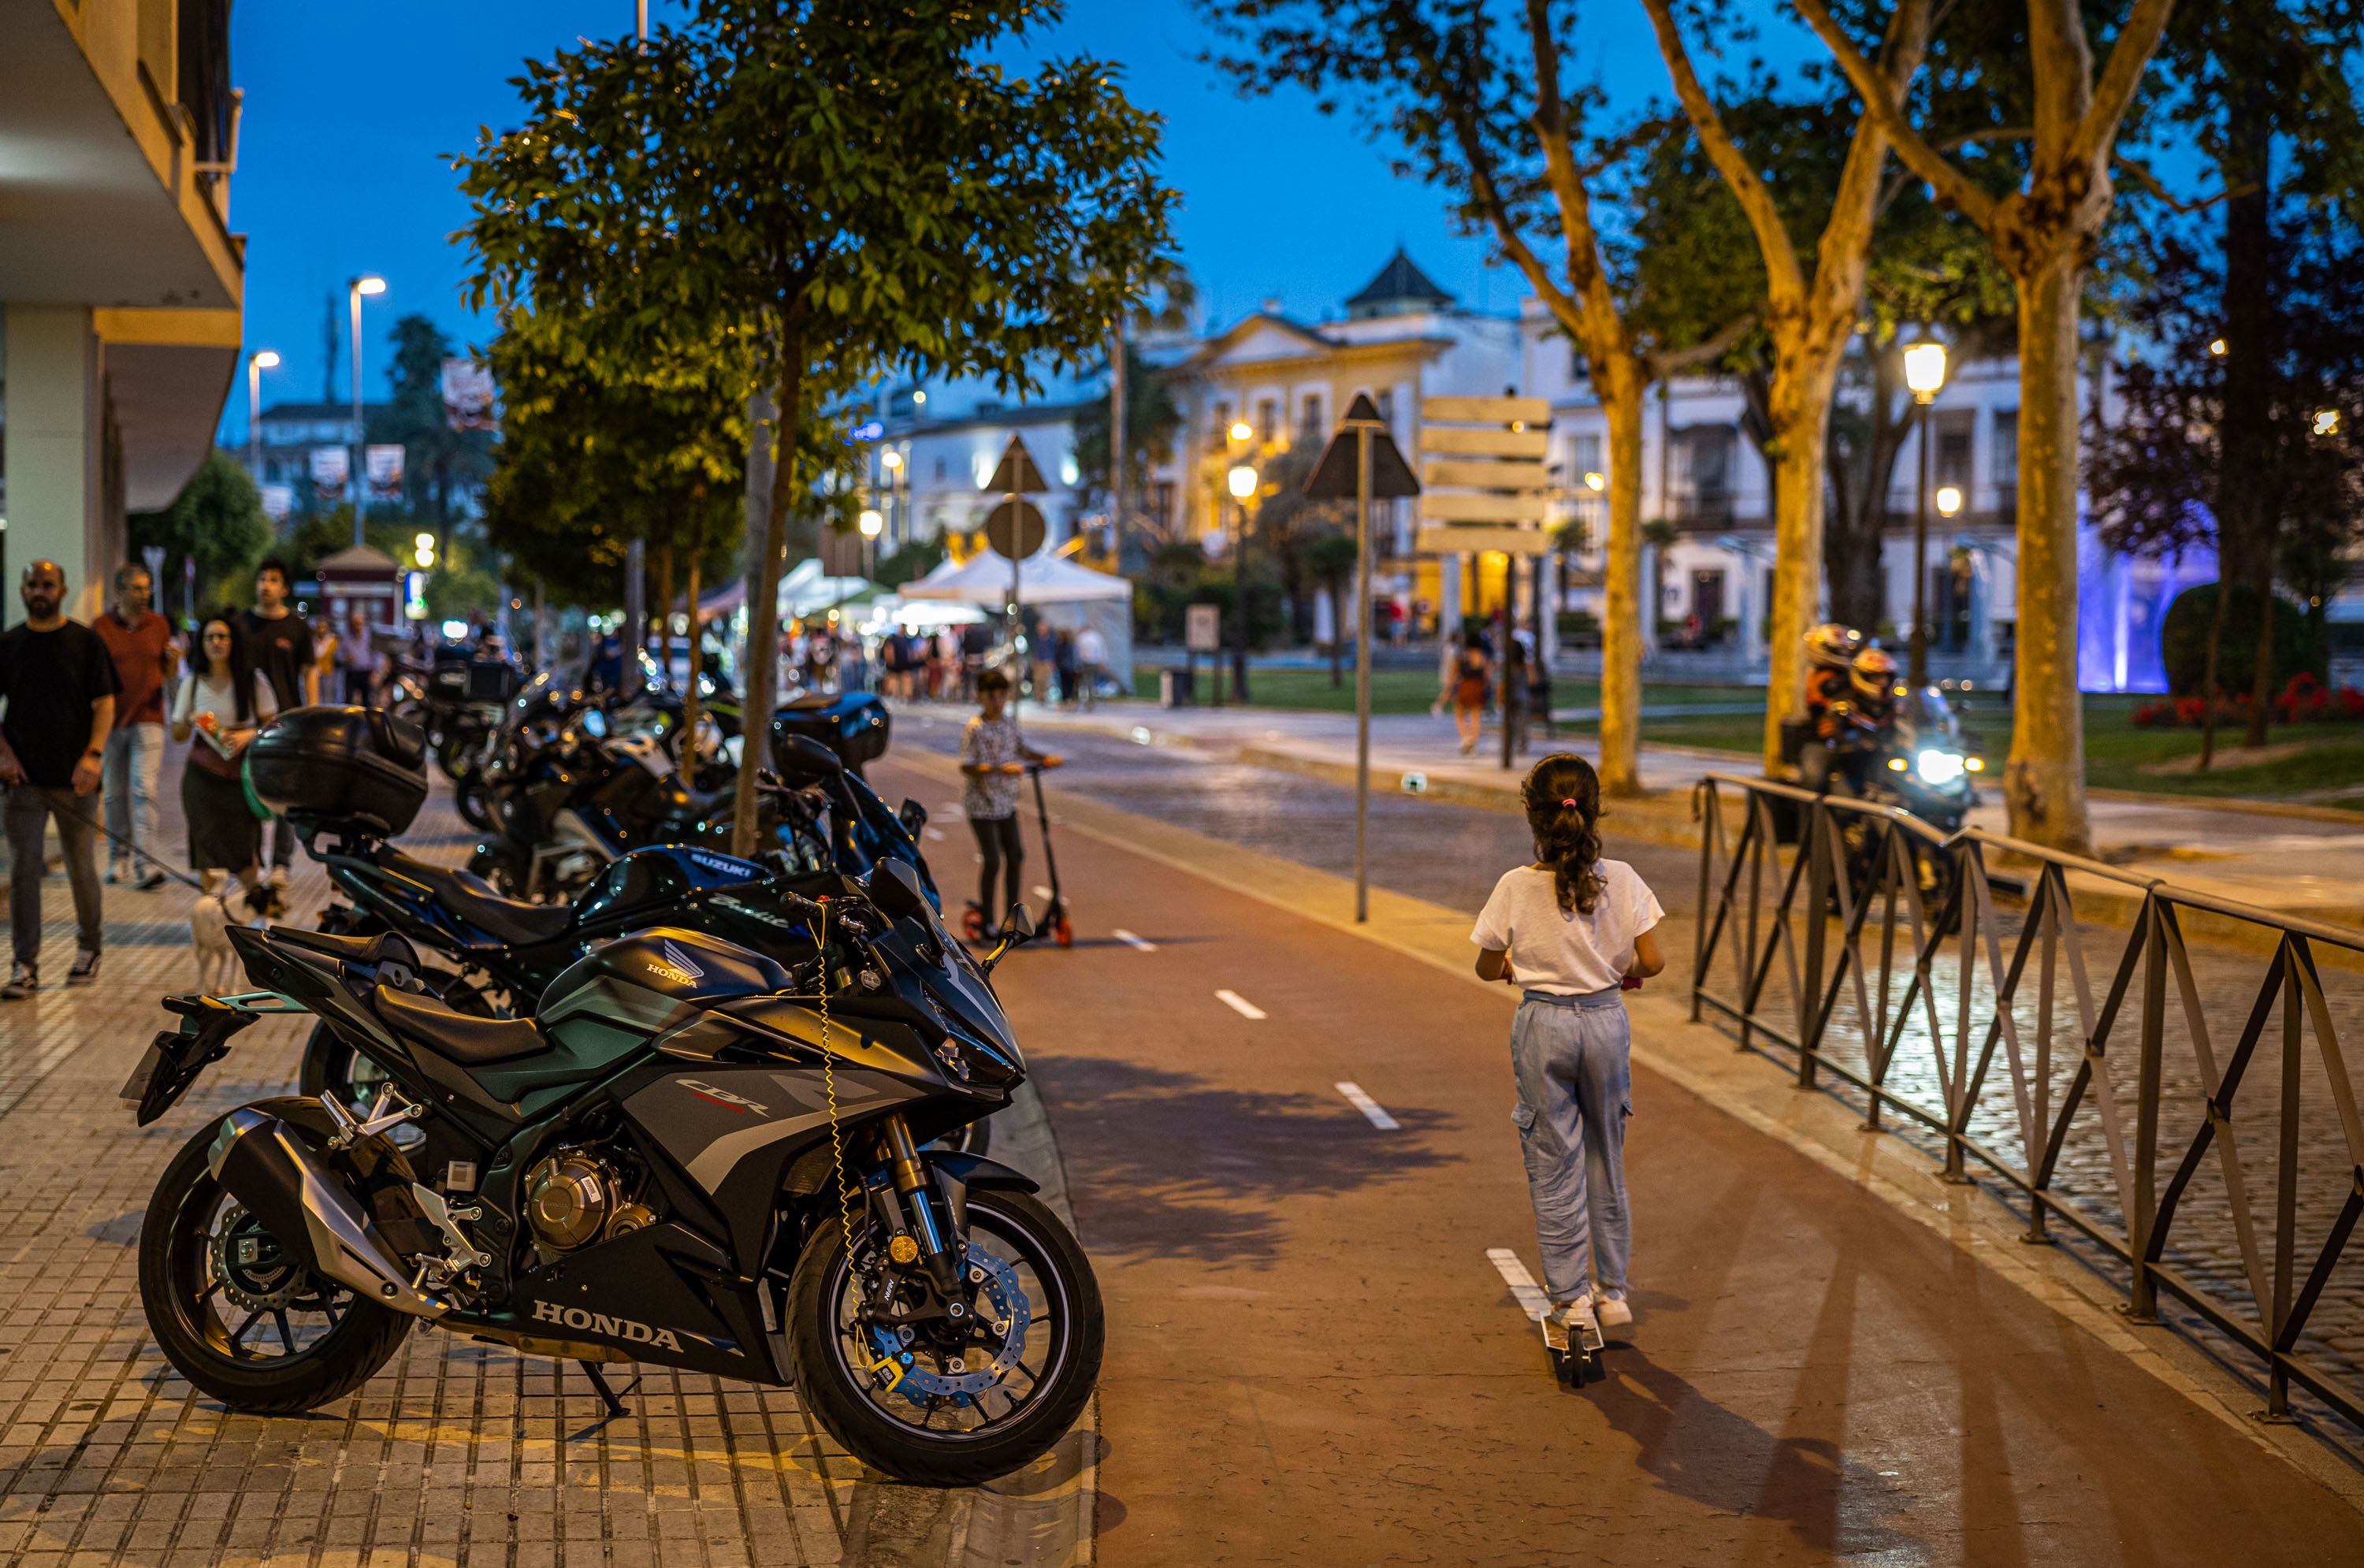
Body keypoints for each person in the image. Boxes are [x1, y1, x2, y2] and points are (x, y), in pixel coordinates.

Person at [1471, 752, 1665, 1340]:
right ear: (1595, 809)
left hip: (1545, 1024)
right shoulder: (1624, 879)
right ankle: (1613, 1292)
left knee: (1554, 1162)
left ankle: (1571, 1299)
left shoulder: (1514, 887)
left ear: (1533, 817)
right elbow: (1653, 962)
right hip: (1606, 1022)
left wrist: (1520, 966)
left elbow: (1485, 965)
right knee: (1607, 1153)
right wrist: (1611, 967)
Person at [0, 559, 120, 997]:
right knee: (24, 869)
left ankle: (89, 948)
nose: (39, 591)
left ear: (63, 589)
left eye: (47, 584)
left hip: (76, 780)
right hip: (23, 784)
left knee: (80, 867)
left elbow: (105, 705)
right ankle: (24, 965)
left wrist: (93, 755)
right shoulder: (9, 643)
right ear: (22, 588)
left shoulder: (86, 642)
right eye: (32, 583)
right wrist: (5, 757)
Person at [173, 616, 279, 917]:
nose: (216, 643)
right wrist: (189, 719)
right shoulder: (192, 682)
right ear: (201, 643)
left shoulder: (252, 680)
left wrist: (249, 734)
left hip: (241, 777)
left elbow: (274, 724)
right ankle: (215, 914)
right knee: (205, 845)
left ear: (233, 642)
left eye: (222, 636)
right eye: (209, 637)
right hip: (201, 777)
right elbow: (177, 735)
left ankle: (256, 910)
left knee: (245, 845)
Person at [957, 667, 1060, 937]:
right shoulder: (975, 728)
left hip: (1006, 802)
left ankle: (1012, 919)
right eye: (992, 696)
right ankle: (988, 920)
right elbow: (967, 767)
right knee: (992, 860)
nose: (998, 701)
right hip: (981, 804)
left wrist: (1044, 758)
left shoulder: (1009, 723)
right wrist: (999, 769)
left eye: (1002, 695)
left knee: (1015, 855)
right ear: (981, 697)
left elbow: (1021, 749)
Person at [95, 563, 179, 890]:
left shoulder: (159, 625)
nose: (145, 595)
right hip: (111, 722)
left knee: (144, 790)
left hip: (150, 719)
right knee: (115, 794)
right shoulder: (100, 628)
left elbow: (169, 672)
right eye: (137, 588)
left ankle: (146, 864)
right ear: (119, 592)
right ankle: (119, 859)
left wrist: (172, 665)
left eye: (147, 588)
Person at [242, 559, 316, 889]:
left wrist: (312, 715)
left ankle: (281, 864)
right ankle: (253, 861)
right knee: (250, 791)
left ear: (284, 588)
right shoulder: (241, 624)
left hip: (287, 722)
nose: (266, 585)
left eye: (273, 580)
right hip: (246, 724)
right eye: (261, 578)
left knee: (285, 796)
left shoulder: (297, 627)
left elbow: (309, 671)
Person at [1451, 624, 1492, 756]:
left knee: (1459, 715)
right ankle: (1473, 743)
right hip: (1478, 686)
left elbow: (1454, 673)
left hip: (1465, 685)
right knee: (1476, 717)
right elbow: (1488, 675)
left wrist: (1450, 689)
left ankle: (1466, 738)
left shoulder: (1462, 656)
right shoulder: (1483, 656)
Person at [333, 606, 379, 705]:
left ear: (364, 622)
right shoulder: (346, 636)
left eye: (359, 623)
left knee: (367, 701)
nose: (357, 625)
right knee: (348, 700)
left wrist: (375, 672)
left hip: (366, 671)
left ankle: (366, 720)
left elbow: (376, 654)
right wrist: (345, 659)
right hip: (351, 672)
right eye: (355, 623)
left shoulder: (370, 636)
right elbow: (338, 654)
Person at [1073, 622, 1110, 709]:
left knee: (1087, 681)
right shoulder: (1097, 637)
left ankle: (1089, 700)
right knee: (1091, 681)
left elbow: (1077, 652)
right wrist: (1103, 662)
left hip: (1086, 662)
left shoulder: (1081, 637)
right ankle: (1091, 699)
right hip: (1094, 662)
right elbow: (1103, 650)